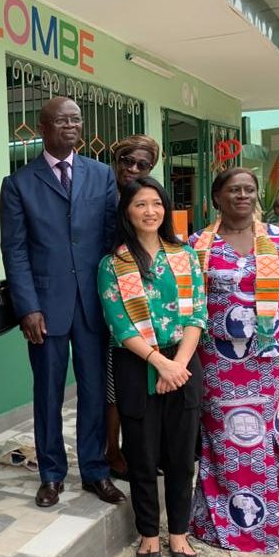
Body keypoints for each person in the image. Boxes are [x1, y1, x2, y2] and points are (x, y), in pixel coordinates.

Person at [0, 96, 125, 508]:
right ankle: (51, 473)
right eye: (61, 120)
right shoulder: (18, 183)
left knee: (92, 391)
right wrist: (27, 307)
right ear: (42, 127)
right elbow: (14, 250)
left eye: (76, 120)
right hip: (45, 308)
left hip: (92, 305)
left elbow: (110, 240)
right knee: (48, 392)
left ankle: (95, 469)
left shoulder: (101, 175)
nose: (71, 126)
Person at [190, 167, 279, 553]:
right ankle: (217, 525)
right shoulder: (197, 245)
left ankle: (270, 527)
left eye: (249, 190)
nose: (242, 196)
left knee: (261, 436)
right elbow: (191, 304)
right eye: (234, 190)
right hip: (216, 361)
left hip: (265, 360)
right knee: (223, 436)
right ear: (217, 197)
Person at [98, 177, 206, 557]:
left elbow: (197, 313)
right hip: (138, 363)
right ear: (127, 211)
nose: (150, 211)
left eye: (156, 203)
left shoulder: (185, 255)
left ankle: (178, 532)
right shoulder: (113, 264)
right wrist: (160, 362)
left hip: (184, 362)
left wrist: (177, 364)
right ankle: (147, 533)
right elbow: (119, 324)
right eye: (140, 204)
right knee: (141, 454)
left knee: (180, 455)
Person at [105, 134, 162, 480]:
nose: (132, 169)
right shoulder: (102, 196)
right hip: (108, 297)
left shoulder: (149, 198)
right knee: (112, 384)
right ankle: (112, 452)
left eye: (142, 164)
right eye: (127, 161)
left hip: (148, 302)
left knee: (142, 382)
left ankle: (139, 449)